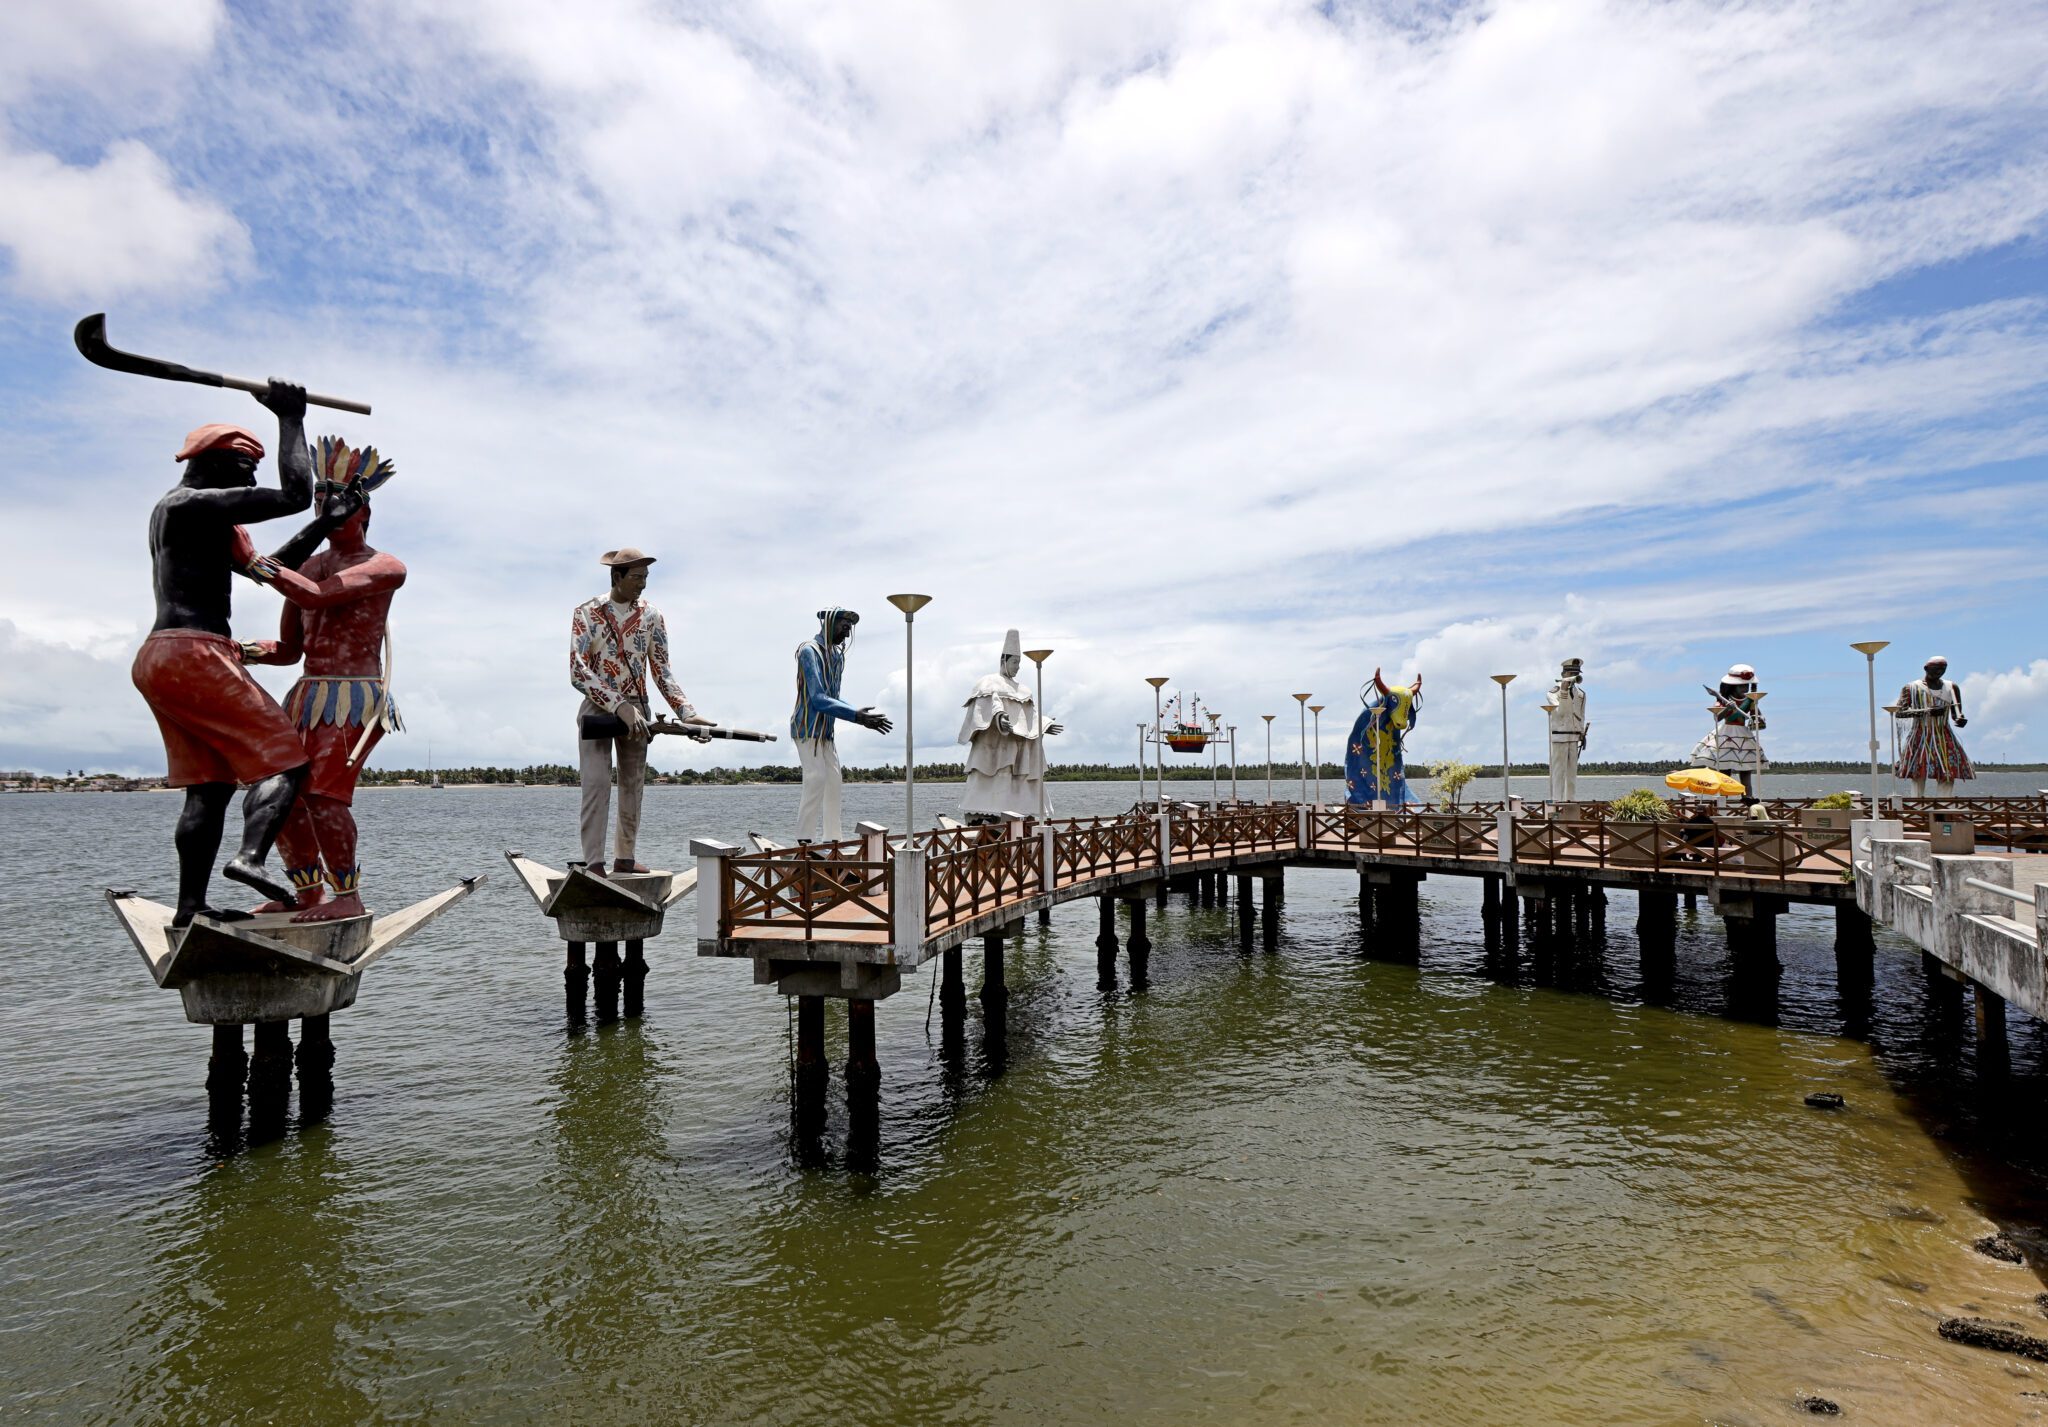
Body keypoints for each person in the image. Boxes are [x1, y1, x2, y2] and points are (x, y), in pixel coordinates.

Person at [131, 382, 336, 925]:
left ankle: (190, 908)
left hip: (162, 656)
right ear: (219, 463)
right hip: (195, 651)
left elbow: (269, 570)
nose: (250, 485)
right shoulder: (189, 504)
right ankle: (251, 858)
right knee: (287, 757)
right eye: (245, 473)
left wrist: (325, 524)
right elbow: (293, 492)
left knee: (210, 786)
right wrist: (292, 417)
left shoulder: (198, 518)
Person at [238, 437, 406, 921]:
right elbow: (290, 650)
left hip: (354, 697)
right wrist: (240, 650)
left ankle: (347, 895)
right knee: (279, 794)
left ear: (363, 511)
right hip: (307, 695)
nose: (328, 511)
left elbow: (316, 597)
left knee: (323, 796)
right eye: (319, 502)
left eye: (338, 504)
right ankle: (307, 891)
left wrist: (253, 560)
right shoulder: (306, 566)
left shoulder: (385, 566)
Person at [569, 548, 704, 875]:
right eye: (637, 577)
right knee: (597, 785)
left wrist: (687, 713)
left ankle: (625, 858)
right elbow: (578, 670)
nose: (643, 584)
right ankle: (594, 863)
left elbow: (661, 670)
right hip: (599, 708)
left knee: (633, 786)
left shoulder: (652, 616)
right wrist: (618, 705)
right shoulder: (588, 613)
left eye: (646, 578)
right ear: (617, 577)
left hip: (639, 709)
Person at [790, 607, 891, 841]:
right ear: (829, 624)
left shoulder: (836, 656)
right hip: (808, 728)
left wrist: (857, 714)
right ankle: (804, 840)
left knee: (834, 780)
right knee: (816, 778)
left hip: (826, 731)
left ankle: (833, 839)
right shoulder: (809, 651)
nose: (846, 634)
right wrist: (856, 716)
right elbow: (818, 698)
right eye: (844, 628)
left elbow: (833, 696)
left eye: (849, 629)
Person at [957, 629, 1062, 822]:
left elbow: (1029, 716)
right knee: (994, 782)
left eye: (1019, 664)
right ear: (1003, 661)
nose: (1017, 668)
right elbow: (988, 706)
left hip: (1018, 748)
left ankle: (1020, 817)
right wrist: (999, 718)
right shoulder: (988, 682)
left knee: (1018, 783)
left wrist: (1044, 724)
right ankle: (986, 818)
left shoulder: (1023, 690)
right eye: (1014, 663)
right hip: (995, 746)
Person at [1896, 655, 1973, 798]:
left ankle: (1944, 805)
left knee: (1948, 773)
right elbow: (1899, 712)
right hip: (1920, 736)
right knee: (1918, 772)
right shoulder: (1912, 688)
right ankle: (1917, 806)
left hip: (1943, 735)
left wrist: (1960, 719)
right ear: (1926, 668)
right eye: (1936, 669)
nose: (1939, 672)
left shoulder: (1952, 687)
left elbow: (1956, 714)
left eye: (1943, 669)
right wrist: (1926, 711)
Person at [1690, 663, 1768, 798]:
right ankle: (1723, 802)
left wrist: (1759, 718)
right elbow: (1717, 717)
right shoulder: (1723, 699)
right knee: (1724, 773)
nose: (1745, 688)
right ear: (1733, 686)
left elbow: (1755, 718)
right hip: (1726, 735)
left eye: (1747, 686)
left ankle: (1748, 800)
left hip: (1743, 735)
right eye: (1742, 686)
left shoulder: (1750, 701)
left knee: (1746, 772)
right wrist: (1728, 708)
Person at [1546, 658, 1588, 802]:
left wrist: (1582, 733)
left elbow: (1581, 715)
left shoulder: (1581, 694)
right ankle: (1557, 801)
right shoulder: (1553, 692)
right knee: (1559, 772)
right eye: (1570, 673)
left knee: (1571, 774)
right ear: (1563, 674)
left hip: (1574, 736)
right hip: (1560, 736)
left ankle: (1570, 801)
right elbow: (1561, 711)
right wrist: (1564, 691)